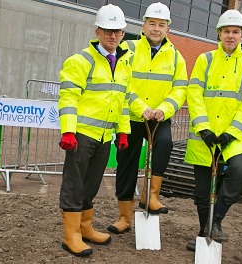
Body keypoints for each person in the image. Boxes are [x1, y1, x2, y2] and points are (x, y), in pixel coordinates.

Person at [56, 4, 133, 257]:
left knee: (92, 184)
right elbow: (68, 98)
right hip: (80, 135)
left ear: (123, 34)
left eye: (118, 32)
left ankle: (85, 227)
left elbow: (121, 103)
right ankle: (71, 236)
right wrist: (68, 131)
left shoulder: (123, 64)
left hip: (103, 137)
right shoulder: (80, 61)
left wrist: (122, 132)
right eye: (108, 31)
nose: (113, 36)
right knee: (74, 184)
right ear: (97, 31)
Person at [107, 2, 187, 234]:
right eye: (152, 23)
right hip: (132, 117)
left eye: (161, 25)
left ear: (167, 29)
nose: (156, 28)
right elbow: (122, 81)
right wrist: (140, 107)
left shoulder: (176, 56)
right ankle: (124, 216)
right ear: (143, 26)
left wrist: (163, 109)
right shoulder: (128, 48)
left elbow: (180, 89)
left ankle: (150, 196)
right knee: (126, 163)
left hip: (159, 117)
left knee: (165, 143)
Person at [184, 9, 242, 251]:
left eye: (235, 32)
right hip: (204, 136)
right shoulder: (205, 60)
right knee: (202, 190)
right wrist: (204, 128)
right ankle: (203, 230)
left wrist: (232, 132)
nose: (230, 35)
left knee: (237, 174)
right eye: (226, 31)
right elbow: (194, 93)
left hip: (234, 137)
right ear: (219, 33)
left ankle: (215, 221)